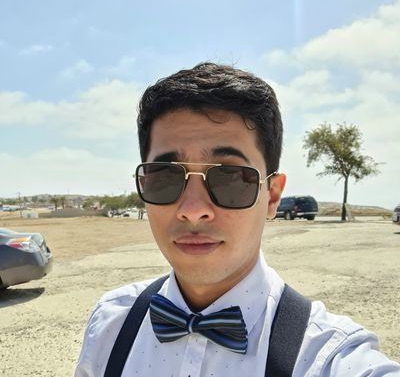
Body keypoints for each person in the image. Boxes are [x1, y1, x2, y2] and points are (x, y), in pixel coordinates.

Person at [75, 63, 400, 376]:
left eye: (230, 177)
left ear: (272, 196)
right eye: (166, 177)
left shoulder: (327, 356)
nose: (193, 209)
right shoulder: (110, 325)